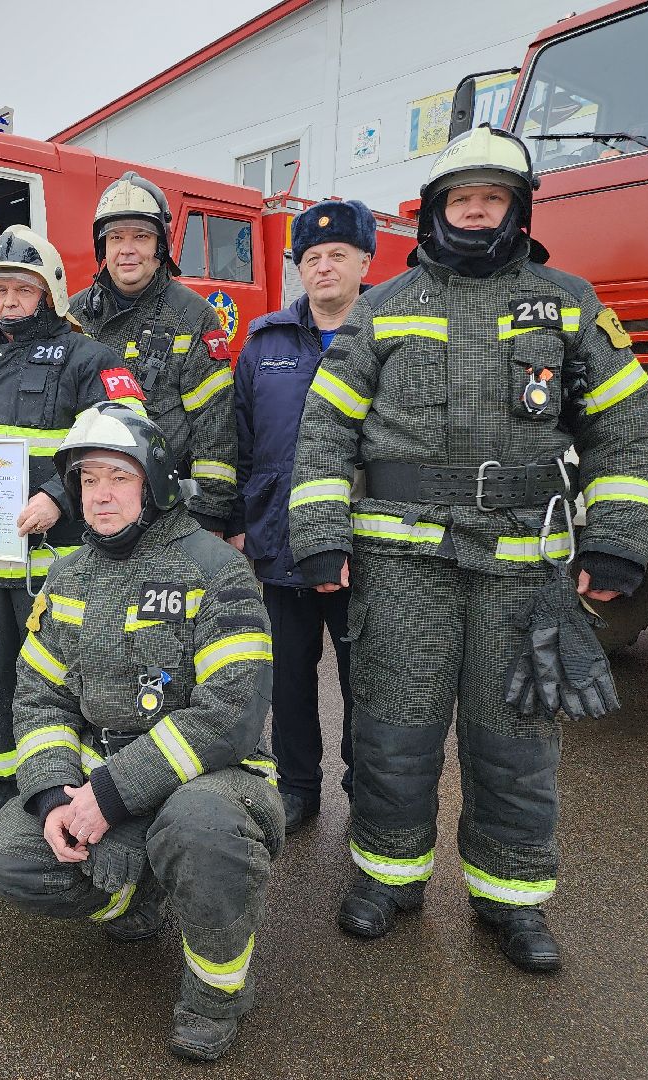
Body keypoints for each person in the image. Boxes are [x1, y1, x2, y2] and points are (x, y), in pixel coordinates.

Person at [288, 125, 648, 971]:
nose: (478, 209)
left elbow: (623, 430)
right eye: (463, 197)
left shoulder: (568, 301)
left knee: (515, 743)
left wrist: (617, 543)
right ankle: (388, 879)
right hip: (402, 563)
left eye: (493, 197)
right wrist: (318, 534)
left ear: (518, 209)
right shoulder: (385, 305)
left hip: (522, 570)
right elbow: (325, 429)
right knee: (393, 735)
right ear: (436, 211)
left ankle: (512, 901)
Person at [0, 403, 280, 1062]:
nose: (101, 494)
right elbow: (39, 698)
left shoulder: (216, 570)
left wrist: (108, 797)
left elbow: (229, 713)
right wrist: (57, 795)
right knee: (8, 857)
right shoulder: (69, 575)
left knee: (202, 831)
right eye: (88, 480)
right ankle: (142, 896)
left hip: (212, 781)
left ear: (156, 482)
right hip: (99, 784)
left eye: (118, 476)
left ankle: (214, 995)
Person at [0, 225, 145, 833]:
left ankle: (66, 789)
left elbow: (127, 438)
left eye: (23, 289)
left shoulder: (90, 360)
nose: (10, 301)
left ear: (50, 293)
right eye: (1, 291)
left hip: (59, 565)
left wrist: (60, 497)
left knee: (63, 683)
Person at [229, 199, 376, 832]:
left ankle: (364, 786)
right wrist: (237, 519)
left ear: (365, 261)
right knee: (287, 677)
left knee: (364, 678)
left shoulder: (389, 336)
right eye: (311, 258)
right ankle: (298, 787)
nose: (322, 268)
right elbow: (236, 439)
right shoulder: (264, 345)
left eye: (337, 256)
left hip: (366, 545)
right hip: (280, 540)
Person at [69, 171, 237, 534]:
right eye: (116, 238)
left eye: (141, 237)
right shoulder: (75, 315)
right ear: (103, 248)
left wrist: (211, 515)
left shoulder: (193, 317)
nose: (126, 249)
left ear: (161, 246)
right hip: (87, 505)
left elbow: (215, 426)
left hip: (165, 509)